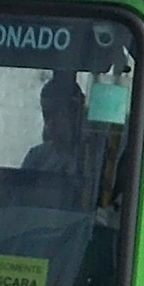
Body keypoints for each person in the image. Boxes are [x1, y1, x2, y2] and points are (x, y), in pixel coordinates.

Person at [21, 74, 90, 203]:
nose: (51, 123)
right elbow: (20, 199)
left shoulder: (91, 158)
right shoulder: (37, 157)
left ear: (76, 113)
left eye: (59, 114)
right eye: (47, 115)